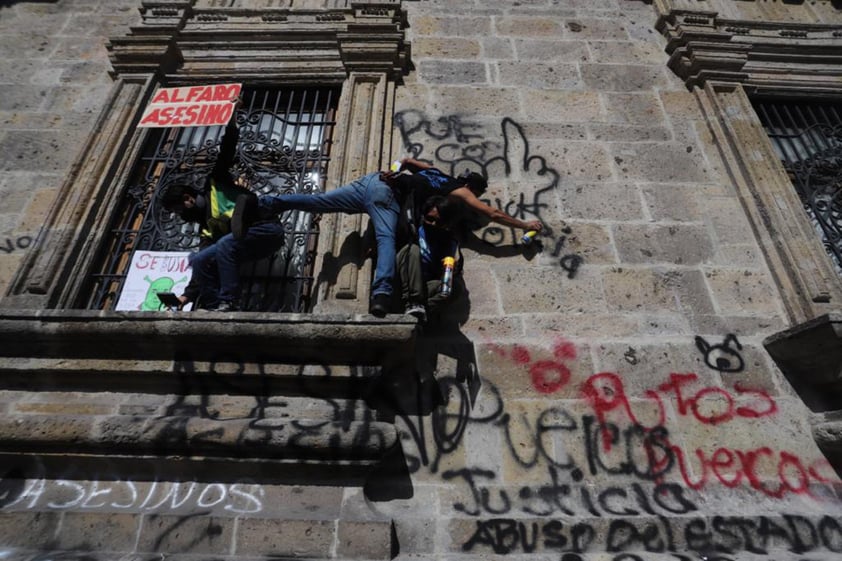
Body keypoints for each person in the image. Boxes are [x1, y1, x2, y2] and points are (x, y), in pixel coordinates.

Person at [236, 171, 401, 317]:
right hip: (386, 192)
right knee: (386, 238)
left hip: (369, 181)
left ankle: (260, 205)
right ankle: (382, 294)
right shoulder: (422, 184)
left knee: (318, 202)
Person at [160, 119, 285, 311]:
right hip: (248, 244)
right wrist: (186, 296)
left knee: (225, 244)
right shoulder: (206, 227)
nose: (180, 215)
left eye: (179, 210)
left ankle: (229, 300)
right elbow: (204, 258)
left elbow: (226, 152)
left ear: (188, 198)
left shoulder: (215, 184)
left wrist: (232, 122)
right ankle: (213, 306)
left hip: (266, 229)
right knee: (201, 259)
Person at [388, 157, 544, 240]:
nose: (472, 200)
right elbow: (493, 213)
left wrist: (393, 171)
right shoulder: (462, 192)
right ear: (471, 188)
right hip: (396, 196)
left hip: (387, 184)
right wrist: (525, 225)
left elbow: (406, 161)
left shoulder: (436, 173)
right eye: (476, 195)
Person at [396, 195, 462, 323]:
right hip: (401, 283)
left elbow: (446, 275)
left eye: (439, 222)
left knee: (453, 287)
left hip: (424, 287)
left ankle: (421, 311)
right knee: (412, 250)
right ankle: (412, 303)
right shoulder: (411, 230)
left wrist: (452, 270)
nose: (433, 224)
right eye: (430, 219)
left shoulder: (448, 242)